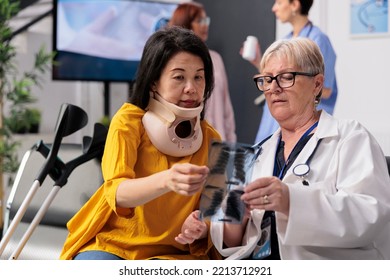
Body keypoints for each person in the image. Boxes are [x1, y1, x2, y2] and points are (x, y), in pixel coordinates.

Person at [211, 37, 390, 260]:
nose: (273, 88)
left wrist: (291, 201)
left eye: (286, 77)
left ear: (317, 84)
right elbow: (228, 241)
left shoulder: (350, 137)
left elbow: (370, 215)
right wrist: (235, 215)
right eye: (267, 79)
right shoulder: (252, 154)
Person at [59, 26, 222, 260]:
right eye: (179, 77)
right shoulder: (128, 123)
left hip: (176, 253)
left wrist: (201, 225)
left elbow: (215, 208)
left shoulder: (212, 138)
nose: (191, 88)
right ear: (154, 82)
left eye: (199, 76)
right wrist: (168, 179)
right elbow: (117, 193)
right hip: (116, 247)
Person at [244, 0, 338, 144]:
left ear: (295, 5)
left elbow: (326, 90)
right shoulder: (285, 40)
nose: (274, 8)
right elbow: (276, 77)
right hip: (275, 126)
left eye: (279, 3)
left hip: (302, 127)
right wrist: (259, 62)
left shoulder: (319, 40)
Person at [169, 2, 237, 142]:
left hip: (218, 142)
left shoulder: (216, 59)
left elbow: (226, 108)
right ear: (186, 23)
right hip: (185, 141)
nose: (205, 25)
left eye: (206, 20)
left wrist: (230, 143)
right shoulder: (171, 59)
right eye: (200, 20)